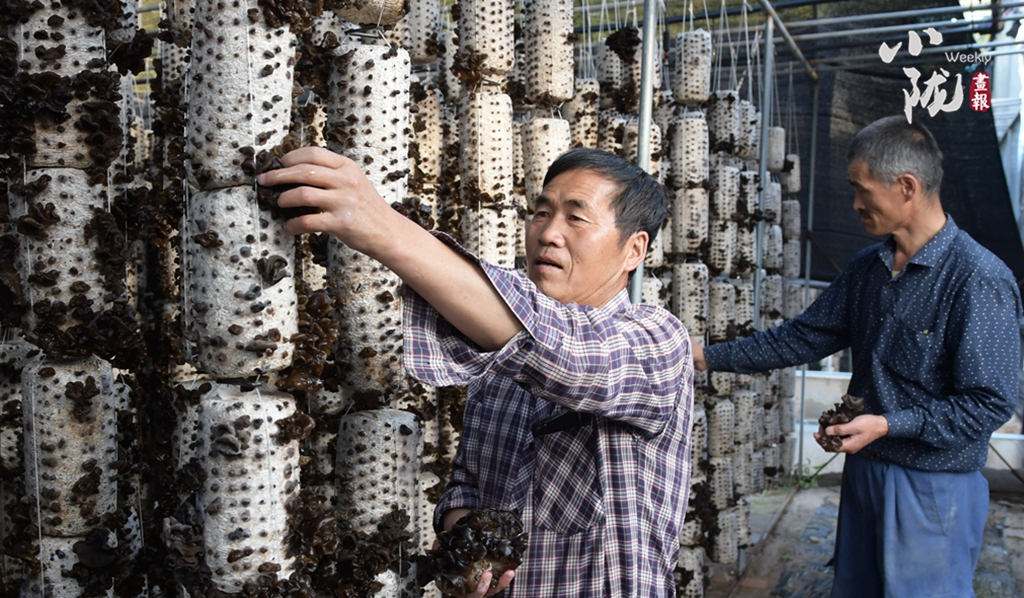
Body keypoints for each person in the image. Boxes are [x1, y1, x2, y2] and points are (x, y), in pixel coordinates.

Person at [260, 147, 695, 597]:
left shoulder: (658, 341)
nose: (549, 234)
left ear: (633, 250)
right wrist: (466, 542)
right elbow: (470, 482)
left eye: (576, 218)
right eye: (541, 213)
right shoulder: (496, 367)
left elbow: (562, 352)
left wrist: (382, 227)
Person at [693, 115, 1023, 598]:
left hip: (933, 485)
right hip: (866, 471)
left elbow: (988, 404)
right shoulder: (869, 267)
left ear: (906, 186)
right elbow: (802, 337)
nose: (854, 204)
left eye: (861, 190)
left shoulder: (977, 278)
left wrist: (888, 424)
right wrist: (705, 356)